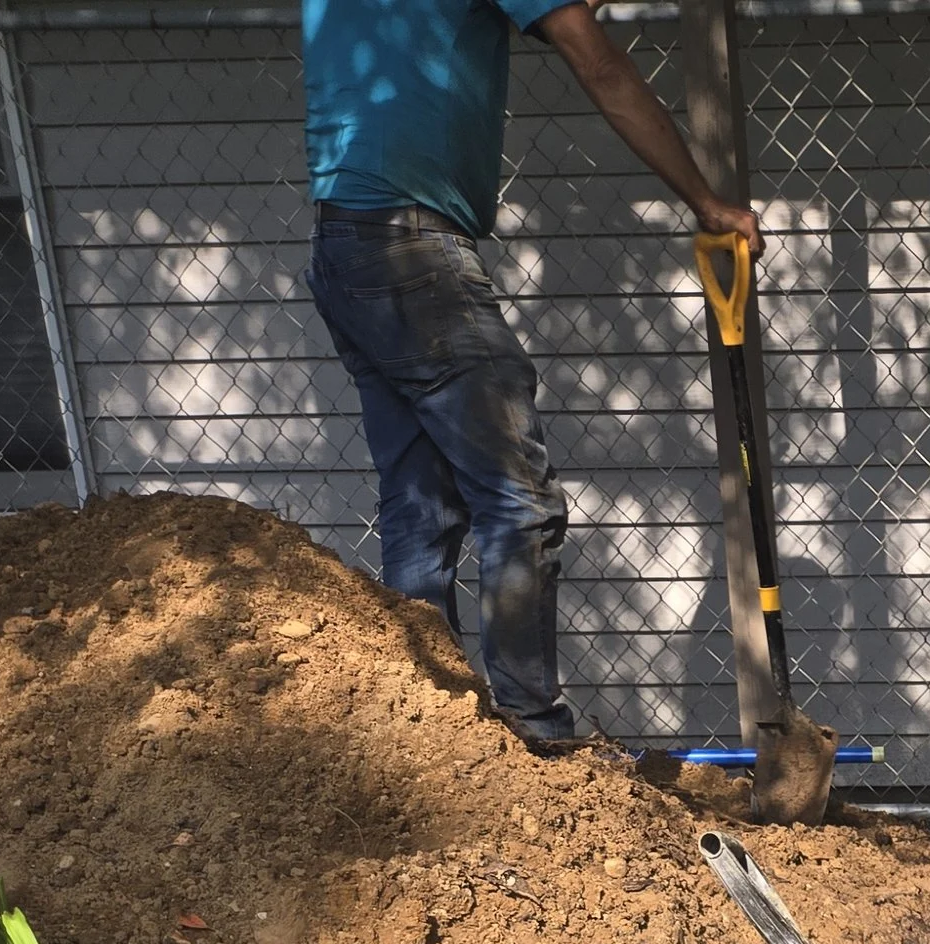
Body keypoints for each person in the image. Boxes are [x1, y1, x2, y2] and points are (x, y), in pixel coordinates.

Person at [302, 1, 756, 756]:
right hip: (412, 250)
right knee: (522, 500)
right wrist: (705, 202)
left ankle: (430, 733)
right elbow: (601, 64)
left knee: (423, 505)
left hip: (342, 244)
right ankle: (534, 733)